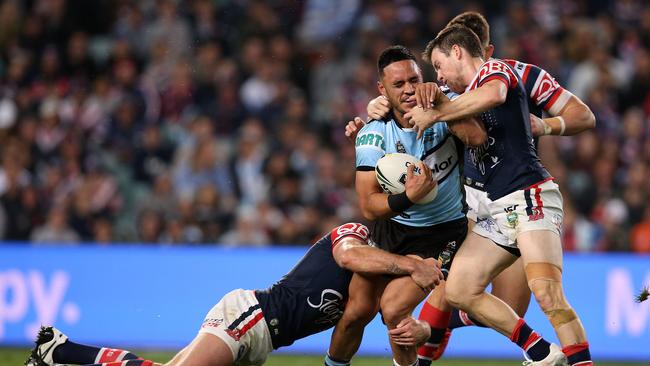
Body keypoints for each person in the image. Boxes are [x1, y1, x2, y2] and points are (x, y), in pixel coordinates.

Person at [351, 12, 596, 364]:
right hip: (479, 207)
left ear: (463, 52)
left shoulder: (507, 73)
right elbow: (405, 99)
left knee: (537, 296)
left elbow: (581, 116)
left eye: (439, 65)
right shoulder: (448, 89)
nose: (438, 76)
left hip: (524, 193)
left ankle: (564, 357)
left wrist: (543, 126)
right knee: (457, 290)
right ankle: (538, 352)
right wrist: (376, 110)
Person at [25, 222, 442, 366]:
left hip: (263, 341)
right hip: (251, 316)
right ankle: (62, 351)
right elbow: (349, 255)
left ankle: (59, 350)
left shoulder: (378, 278)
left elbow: (354, 319)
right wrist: (409, 264)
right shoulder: (358, 234)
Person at [325, 46, 486, 366]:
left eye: (414, 80)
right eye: (398, 85)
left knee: (395, 310)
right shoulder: (372, 134)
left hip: (441, 234)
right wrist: (410, 196)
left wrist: (441, 106)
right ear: (382, 90)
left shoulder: (445, 107)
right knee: (355, 313)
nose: (409, 89)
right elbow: (369, 206)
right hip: (391, 229)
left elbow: (477, 139)